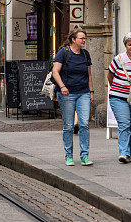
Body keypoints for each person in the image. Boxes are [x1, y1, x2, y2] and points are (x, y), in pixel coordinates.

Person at [51, 29, 94, 167]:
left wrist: (91, 91)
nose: (84, 40)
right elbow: (55, 72)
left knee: (84, 124)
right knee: (69, 126)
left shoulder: (85, 54)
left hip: (83, 92)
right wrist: (62, 86)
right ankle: (69, 155)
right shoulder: (64, 52)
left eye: (85, 38)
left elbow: (89, 75)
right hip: (67, 94)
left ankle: (84, 155)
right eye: (81, 38)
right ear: (73, 39)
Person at [107, 32, 131, 163]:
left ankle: (130, 152)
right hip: (118, 97)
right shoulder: (119, 59)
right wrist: (118, 89)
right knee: (124, 124)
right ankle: (123, 153)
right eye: (130, 44)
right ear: (126, 45)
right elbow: (110, 75)